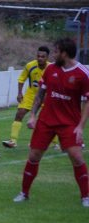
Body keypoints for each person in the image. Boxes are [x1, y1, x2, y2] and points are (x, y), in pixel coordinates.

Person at [13, 38, 89, 207]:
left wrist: (80, 127)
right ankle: (24, 193)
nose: (53, 55)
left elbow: (87, 102)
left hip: (69, 123)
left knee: (76, 157)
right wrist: (33, 115)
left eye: (56, 51)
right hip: (46, 121)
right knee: (33, 156)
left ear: (65, 53)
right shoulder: (50, 69)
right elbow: (40, 94)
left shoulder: (82, 74)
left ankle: (86, 196)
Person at [2, 46, 57, 149]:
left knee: (50, 118)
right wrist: (19, 93)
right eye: (38, 56)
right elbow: (21, 79)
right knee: (20, 113)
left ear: (47, 57)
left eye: (43, 56)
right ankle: (13, 140)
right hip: (31, 94)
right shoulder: (30, 66)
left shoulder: (52, 68)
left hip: (46, 95)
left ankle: (54, 143)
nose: (40, 58)